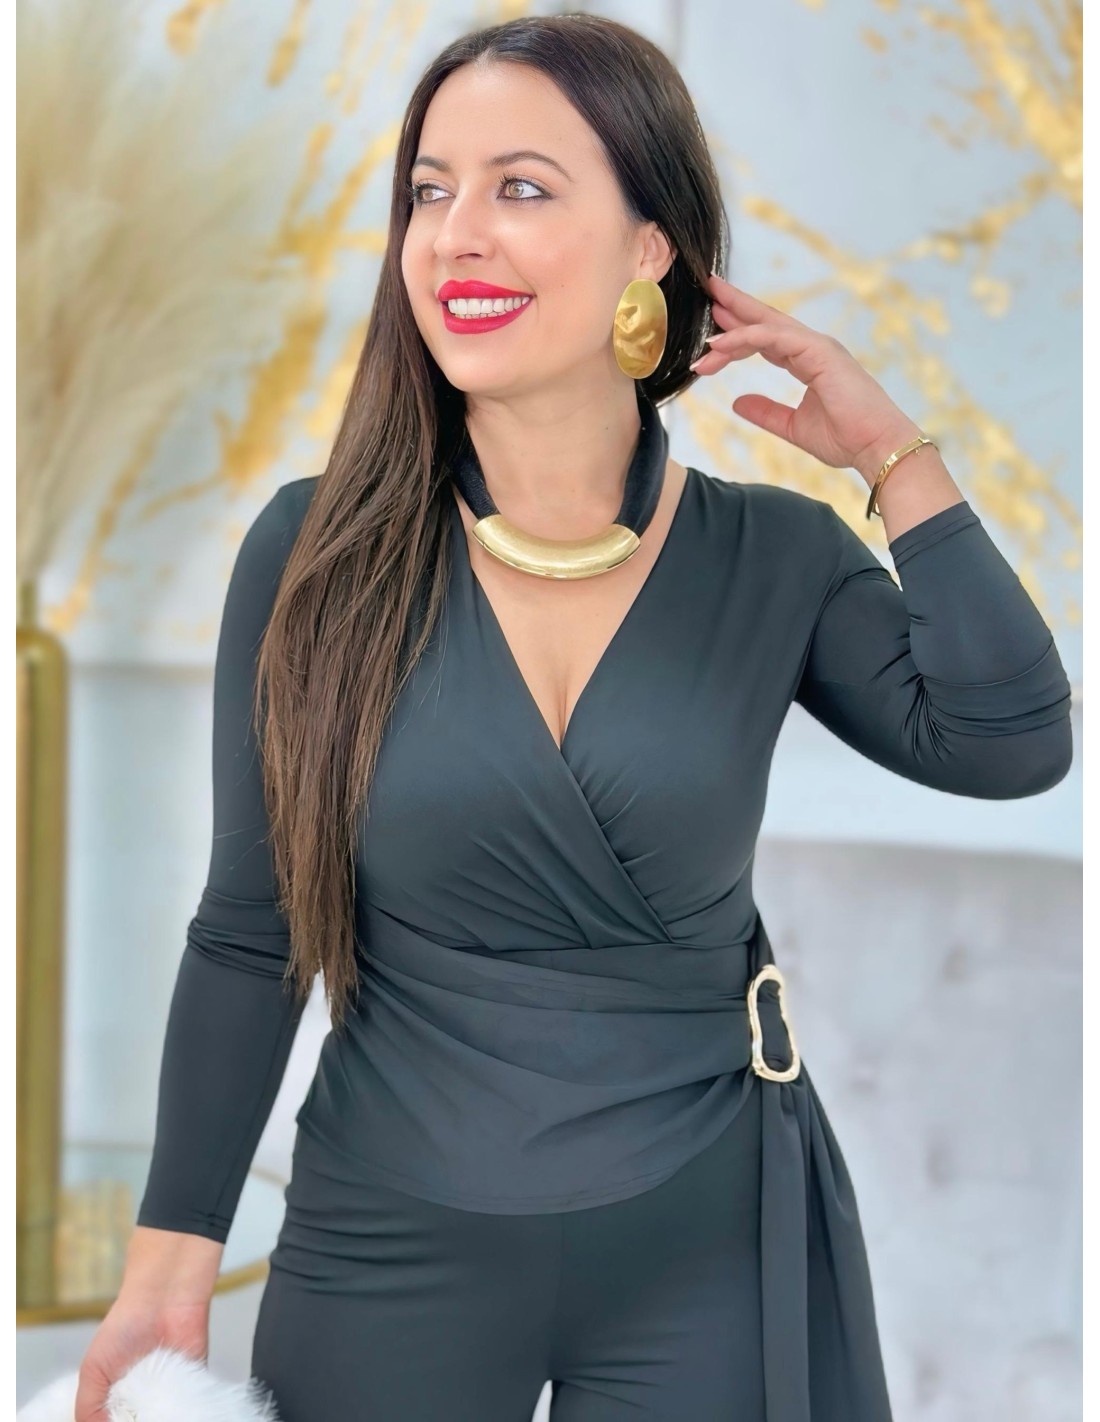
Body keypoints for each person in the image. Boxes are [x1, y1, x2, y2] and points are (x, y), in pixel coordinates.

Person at [75, 14, 1073, 1422]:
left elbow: (1012, 742)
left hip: (707, 1246)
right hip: (387, 1243)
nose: (455, 236)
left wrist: (888, 452)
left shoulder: (775, 557)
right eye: (430, 191)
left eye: (522, 188)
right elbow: (253, 931)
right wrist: (164, 1272)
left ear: (650, 245)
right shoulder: (313, 556)